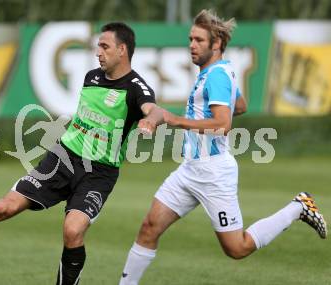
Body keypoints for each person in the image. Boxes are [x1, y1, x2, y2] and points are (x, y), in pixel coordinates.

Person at [0, 22, 163, 285]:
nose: (98, 52)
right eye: (98, 46)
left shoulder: (136, 88)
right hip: (62, 158)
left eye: (105, 46)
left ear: (122, 50)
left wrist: (150, 120)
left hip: (99, 174)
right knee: (2, 208)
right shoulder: (91, 77)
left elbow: (154, 109)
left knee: (73, 230)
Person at [119, 9, 327, 285]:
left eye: (199, 40)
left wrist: (176, 119)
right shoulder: (218, 71)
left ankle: (298, 207)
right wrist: (212, 116)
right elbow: (237, 105)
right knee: (149, 228)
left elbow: (223, 123)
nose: (191, 45)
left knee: (237, 248)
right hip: (190, 170)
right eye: (190, 39)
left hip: (213, 173)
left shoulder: (216, 76)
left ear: (216, 44)